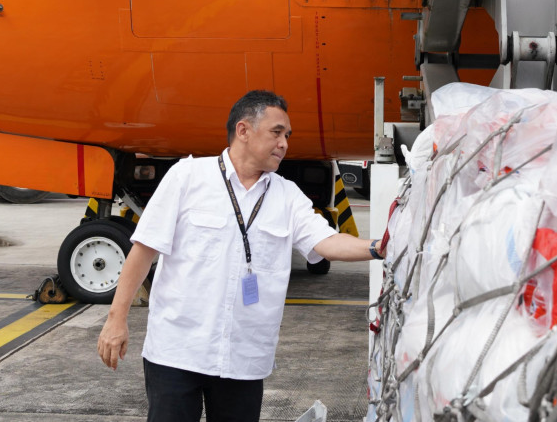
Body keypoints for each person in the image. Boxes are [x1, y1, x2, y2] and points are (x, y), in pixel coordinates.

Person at [96, 90, 384, 422]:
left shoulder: (287, 196)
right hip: (176, 352)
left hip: (243, 358)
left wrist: (378, 246)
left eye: (287, 135)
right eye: (277, 132)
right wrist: (116, 319)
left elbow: (327, 242)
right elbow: (144, 249)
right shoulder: (187, 177)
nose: (285, 143)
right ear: (244, 131)